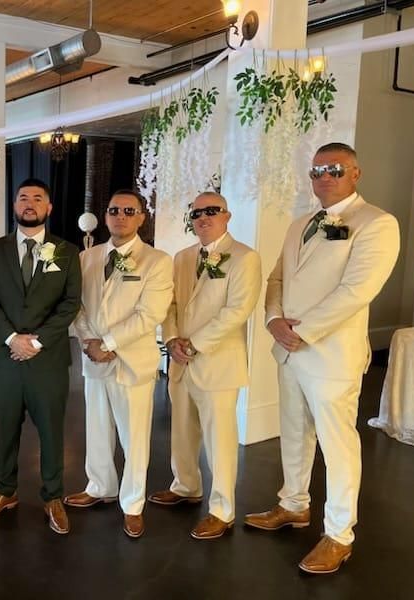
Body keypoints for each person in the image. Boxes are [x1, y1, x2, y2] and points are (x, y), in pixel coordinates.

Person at [245, 142, 400, 574]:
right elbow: (276, 278)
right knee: (293, 432)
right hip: (289, 351)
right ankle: (293, 505)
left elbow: (357, 290)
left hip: (331, 354)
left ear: (356, 173)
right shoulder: (300, 224)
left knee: (337, 445)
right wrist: (274, 319)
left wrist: (303, 331)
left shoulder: (377, 223)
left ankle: (338, 534)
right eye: (317, 171)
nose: (324, 177)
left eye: (334, 169)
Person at [148, 192, 261, 540]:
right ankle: (185, 485)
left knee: (219, 438)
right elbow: (169, 305)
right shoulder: (181, 258)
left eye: (212, 211)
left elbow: (238, 310)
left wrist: (194, 344)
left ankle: (222, 509)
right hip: (180, 361)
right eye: (197, 213)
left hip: (216, 362)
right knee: (181, 430)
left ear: (227, 215)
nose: (204, 218)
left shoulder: (245, 257)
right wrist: (170, 340)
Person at [0, 178, 82, 534]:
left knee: (51, 431)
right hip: (6, 358)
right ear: (15, 206)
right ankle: (5, 491)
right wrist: (10, 338)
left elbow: (70, 303)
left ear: (49, 208)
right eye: (23, 198)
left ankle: (53, 496)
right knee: (5, 429)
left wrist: (36, 342)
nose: (29, 203)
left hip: (47, 359)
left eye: (38, 198)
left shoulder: (66, 251)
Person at [64, 190, 173, 539]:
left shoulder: (157, 261)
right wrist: (87, 341)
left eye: (130, 211)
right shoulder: (88, 257)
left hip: (131, 360)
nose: (120, 216)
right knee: (96, 427)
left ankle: (133, 504)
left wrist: (108, 343)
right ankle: (99, 485)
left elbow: (150, 314)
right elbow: (77, 306)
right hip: (94, 357)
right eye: (114, 210)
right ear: (105, 215)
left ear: (142, 217)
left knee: (134, 436)